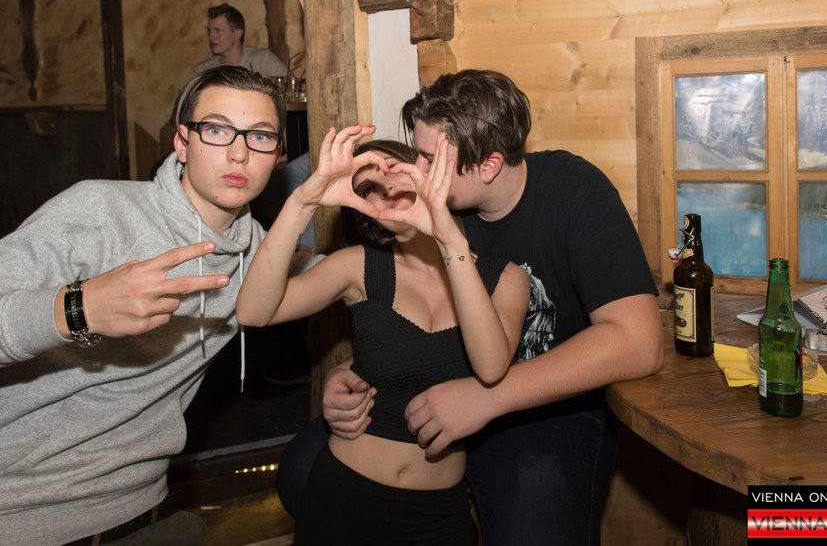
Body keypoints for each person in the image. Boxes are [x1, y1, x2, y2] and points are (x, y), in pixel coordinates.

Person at [0, 66, 289, 545]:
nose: (240, 152)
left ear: (277, 155)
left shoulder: (257, 252)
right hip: (10, 515)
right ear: (182, 142)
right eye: (217, 129)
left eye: (260, 136)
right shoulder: (99, 212)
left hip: (143, 505)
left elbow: (334, 273)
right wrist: (77, 309)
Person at [279, 69, 664, 545]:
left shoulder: (575, 193)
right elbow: (393, 306)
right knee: (300, 472)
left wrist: (488, 398)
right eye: (416, 152)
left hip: (549, 407)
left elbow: (639, 342)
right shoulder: (426, 205)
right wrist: (354, 374)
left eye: (428, 158)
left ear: (488, 166)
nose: (415, 171)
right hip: (433, 386)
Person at [237, 129, 528, 545]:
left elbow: (491, 366)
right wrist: (304, 201)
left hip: (436, 516)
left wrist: (448, 238)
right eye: (367, 189)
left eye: (391, 169)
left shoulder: (506, 279)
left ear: (425, 172)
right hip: (342, 500)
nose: (384, 188)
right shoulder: (358, 266)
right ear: (366, 214)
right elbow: (254, 311)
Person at [193, 3, 288, 77]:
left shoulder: (262, 59)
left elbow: (292, 90)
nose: (211, 36)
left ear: (237, 34)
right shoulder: (205, 70)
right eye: (209, 31)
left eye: (217, 31)